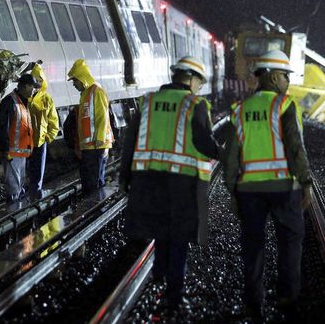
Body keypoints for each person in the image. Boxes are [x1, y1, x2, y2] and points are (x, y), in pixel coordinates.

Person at [120, 56, 221, 309]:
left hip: (148, 180)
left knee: (160, 231)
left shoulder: (148, 101)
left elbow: (130, 142)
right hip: (182, 182)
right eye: (199, 81)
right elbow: (203, 142)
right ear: (190, 78)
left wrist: (125, 176)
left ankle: (159, 276)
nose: (199, 86)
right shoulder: (194, 104)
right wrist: (225, 152)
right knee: (179, 236)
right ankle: (174, 294)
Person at [223, 50, 313, 319]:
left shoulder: (240, 110)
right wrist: (306, 181)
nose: (288, 81)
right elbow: (295, 148)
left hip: (249, 191)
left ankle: (253, 303)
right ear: (274, 76)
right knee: (290, 241)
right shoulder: (284, 105)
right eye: (286, 76)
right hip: (284, 188)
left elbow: (231, 156)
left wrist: (232, 190)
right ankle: (287, 299)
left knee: (252, 245)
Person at [67, 59, 114, 199]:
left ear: (82, 79)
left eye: (75, 81)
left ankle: (97, 208)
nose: (74, 84)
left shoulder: (96, 91)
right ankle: (93, 207)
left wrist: (99, 138)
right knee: (89, 182)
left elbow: (103, 116)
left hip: (96, 145)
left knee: (94, 183)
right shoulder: (86, 94)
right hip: (89, 147)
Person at [0, 74, 40, 202]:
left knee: (19, 186)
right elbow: (2, 128)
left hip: (21, 153)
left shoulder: (22, 102)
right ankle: (13, 212)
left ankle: (18, 211)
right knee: (14, 188)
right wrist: (5, 150)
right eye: (33, 87)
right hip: (11, 154)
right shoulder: (10, 102)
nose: (34, 90)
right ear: (25, 86)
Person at [26, 64, 59, 199]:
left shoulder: (47, 99)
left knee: (37, 172)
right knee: (27, 171)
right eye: (35, 81)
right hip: (26, 142)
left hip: (40, 142)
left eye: (40, 80)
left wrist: (48, 137)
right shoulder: (25, 97)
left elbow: (53, 121)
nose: (37, 84)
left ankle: (35, 195)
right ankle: (28, 195)